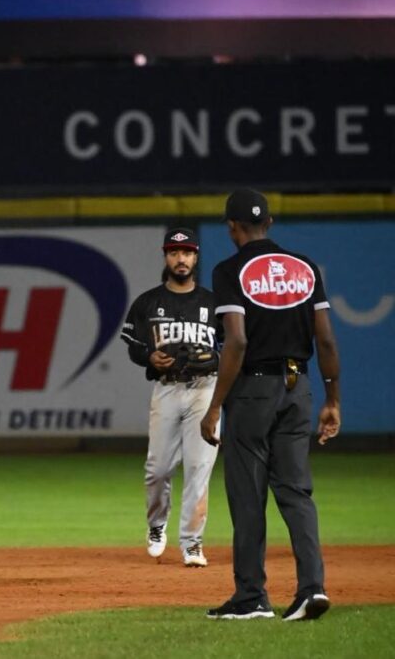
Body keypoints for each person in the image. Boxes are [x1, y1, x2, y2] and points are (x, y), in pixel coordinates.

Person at [201, 189, 340, 621]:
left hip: (253, 389)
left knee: (248, 493)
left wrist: (214, 406)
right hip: (299, 387)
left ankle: (251, 597)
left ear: (232, 227)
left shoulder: (229, 270)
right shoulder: (305, 268)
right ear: (270, 223)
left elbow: (237, 341)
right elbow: (325, 339)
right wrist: (333, 398)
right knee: (296, 491)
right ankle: (312, 588)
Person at [120, 228, 220, 567]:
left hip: (205, 389)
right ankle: (156, 524)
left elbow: (232, 346)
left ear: (195, 257)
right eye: (175, 252)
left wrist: (216, 358)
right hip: (166, 388)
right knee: (158, 468)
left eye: (187, 252)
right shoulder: (147, 302)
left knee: (199, 467)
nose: (181, 259)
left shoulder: (212, 303)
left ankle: (192, 542)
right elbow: (133, 346)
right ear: (165, 256)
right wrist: (149, 356)